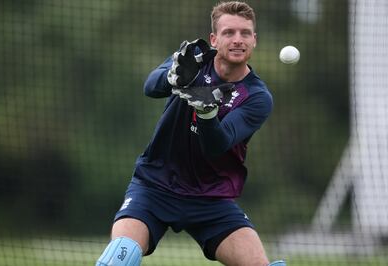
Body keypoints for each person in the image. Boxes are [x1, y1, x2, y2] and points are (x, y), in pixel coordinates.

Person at [96, 1, 286, 266]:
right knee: (120, 257)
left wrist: (207, 113)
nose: (237, 40)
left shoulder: (256, 96)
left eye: (245, 33)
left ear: (254, 40)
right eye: (229, 32)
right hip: (154, 186)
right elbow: (151, 87)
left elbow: (217, 144)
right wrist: (173, 79)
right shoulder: (193, 58)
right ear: (214, 39)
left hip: (211, 198)